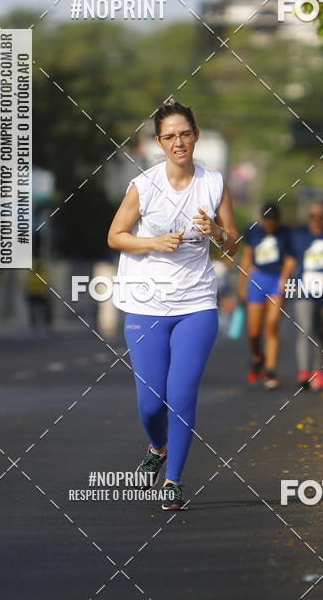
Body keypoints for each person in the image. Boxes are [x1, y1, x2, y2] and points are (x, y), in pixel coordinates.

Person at [108, 100, 239, 511]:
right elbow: (115, 235)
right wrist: (153, 242)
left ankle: (174, 481)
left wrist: (216, 230)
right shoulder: (144, 186)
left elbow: (233, 244)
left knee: (181, 395)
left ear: (195, 136)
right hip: (146, 304)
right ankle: (158, 446)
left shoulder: (214, 184)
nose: (178, 142)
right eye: (170, 137)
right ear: (158, 142)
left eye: (185, 134)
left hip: (196, 304)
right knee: (151, 403)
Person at [281, 201, 323, 390]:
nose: (315, 220)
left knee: (321, 330)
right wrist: (284, 278)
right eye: (312, 217)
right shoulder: (299, 235)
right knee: (305, 329)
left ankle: (317, 370)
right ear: (308, 217)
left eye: (319, 217)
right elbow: (291, 259)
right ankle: (304, 371)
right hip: (303, 289)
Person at [238, 202, 290, 389]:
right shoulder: (253, 231)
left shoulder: (285, 233)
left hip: (277, 280)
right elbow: (246, 257)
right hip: (257, 279)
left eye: (272, 222)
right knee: (253, 331)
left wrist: (285, 279)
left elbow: (290, 259)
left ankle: (270, 370)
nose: (269, 225)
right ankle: (256, 357)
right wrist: (242, 284)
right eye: (267, 221)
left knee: (272, 325)